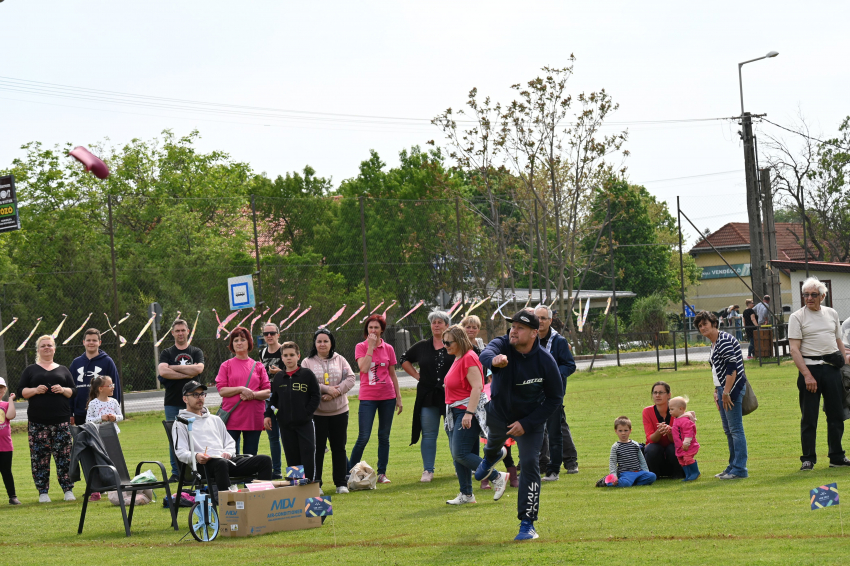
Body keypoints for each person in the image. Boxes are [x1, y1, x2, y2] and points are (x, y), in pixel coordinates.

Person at [476, 310, 563, 541]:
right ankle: (491, 457)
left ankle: (527, 524)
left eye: (520, 328)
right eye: (513, 326)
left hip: (529, 422)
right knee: (493, 445)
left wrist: (527, 423)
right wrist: (494, 360)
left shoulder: (545, 360)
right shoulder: (503, 345)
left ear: (535, 333)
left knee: (529, 464)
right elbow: (486, 352)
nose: (514, 330)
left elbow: (555, 398)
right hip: (498, 415)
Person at [441, 325, 509, 505]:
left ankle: (497, 476)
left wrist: (469, 413)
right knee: (462, 454)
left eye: (449, 342)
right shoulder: (458, 358)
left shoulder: (469, 357)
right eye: (444, 342)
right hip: (454, 411)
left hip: (465, 411)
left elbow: (477, 387)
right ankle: (466, 494)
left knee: (460, 453)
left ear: (460, 341)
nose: (445, 345)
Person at [173, 381, 272, 501]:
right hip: (202, 466)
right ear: (185, 399)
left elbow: (230, 443)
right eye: (195, 394)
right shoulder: (181, 423)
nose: (200, 398)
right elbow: (180, 452)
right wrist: (197, 455)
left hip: (225, 461)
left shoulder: (215, 419)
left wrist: (228, 453)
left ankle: (260, 501)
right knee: (220, 463)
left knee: (264, 460)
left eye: (202, 394)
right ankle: (229, 506)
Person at [789, 277, 850, 471]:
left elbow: (839, 342)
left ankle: (837, 457)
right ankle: (808, 458)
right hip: (810, 370)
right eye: (805, 294)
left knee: (836, 414)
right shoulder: (797, 317)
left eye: (813, 295)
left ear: (822, 296)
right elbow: (794, 349)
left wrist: (845, 365)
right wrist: (807, 375)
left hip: (832, 369)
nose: (808, 298)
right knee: (809, 417)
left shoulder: (832, 313)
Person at [17, 335, 76, 503]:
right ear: (38, 349)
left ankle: (67, 490)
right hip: (38, 422)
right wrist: (35, 390)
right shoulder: (30, 370)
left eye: (49, 345)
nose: (47, 348)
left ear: (54, 348)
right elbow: (21, 391)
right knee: (39, 458)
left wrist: (63, 389)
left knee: (64, 456)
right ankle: (43, 492)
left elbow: (74, 391)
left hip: (62, 421)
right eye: (43, 346)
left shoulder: (63, 369)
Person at [349, 315, 403, 484]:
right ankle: (350, 472)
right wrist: (370, 347)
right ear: (367, 330)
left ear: (382, 330)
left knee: (384, 436)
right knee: (363, 436)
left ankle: (382, 473)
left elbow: (393, 374)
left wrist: (398, 397)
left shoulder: (389, 348)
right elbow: (363, 368)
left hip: (387, 396)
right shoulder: (361, 347)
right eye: (370, 328)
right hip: (368, 398)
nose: (373, 330)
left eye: (376, 328)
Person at [401, 309, 453, 483]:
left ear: (447, 325)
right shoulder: (422, 345)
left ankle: (460, 466)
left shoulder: (456, 343)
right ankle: (428, 470)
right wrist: (417, 376)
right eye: (433, 322)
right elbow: (404, 359)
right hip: (428, 396)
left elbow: (472, 356)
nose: (436, 325)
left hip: (451, 396)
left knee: (453, 433)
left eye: (440, 322)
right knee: (429, 434)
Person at [695, 310, 749, 479]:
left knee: (735, 429)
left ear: (714, 324)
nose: (702, 328)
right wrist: (717, 390)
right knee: (729, 430)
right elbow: (718, 369)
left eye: (705, 324)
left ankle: (739, 469)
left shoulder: (723, 340)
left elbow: (732, 369)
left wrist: (726, 392)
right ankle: (733, 466)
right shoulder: (715, 342)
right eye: (699, 325)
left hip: (731, 389)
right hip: (722, 389)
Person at [301, 329, 356, 494]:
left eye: (326, 341)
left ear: (331, 343)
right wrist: (325, 390)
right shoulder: (307, 362)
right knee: (316, 450)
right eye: (319, 341)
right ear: (315, 344)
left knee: (339, 448)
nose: (322, 344)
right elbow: (305, 381)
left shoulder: (340, 359)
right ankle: (316, 484)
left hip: (339, 411)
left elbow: (351, 378)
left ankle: (340, 483)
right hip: (317, 414)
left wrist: (336, 392)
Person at [264, 341, 321, 484]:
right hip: (285, 425)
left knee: (307, 454)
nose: (288, 358)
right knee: (291, 456)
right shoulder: (278, 377)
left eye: (292, 355)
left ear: (298, 356)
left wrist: (306, 413)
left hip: (304, 424)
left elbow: (316, 396)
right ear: (282, 358)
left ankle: (311, 486)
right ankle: (296, 486)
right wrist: (268, 415)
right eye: (285, 355)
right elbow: (274, 399)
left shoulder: (307, 375)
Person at [158, 318, 205, 481]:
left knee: (196, 435)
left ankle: (195, 471)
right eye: (177, 330)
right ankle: (176, 473)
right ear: (172, 333)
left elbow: (199, 368)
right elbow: (163, 372)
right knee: (174, 438)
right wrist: (188, 373)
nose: (180, 333)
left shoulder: (196, 351)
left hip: (194, 402)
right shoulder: (166, 352)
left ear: (188, 331)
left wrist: (173, 367)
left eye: (182, 330)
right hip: (172, 402)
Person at [534, 305, 578, 480]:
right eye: (537, 318)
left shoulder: (558, 341)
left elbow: (570, 365)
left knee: (556, 429)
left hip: (553, 393)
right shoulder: (530, 338)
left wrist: (553, 374)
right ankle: (539, 463)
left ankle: (558, 468)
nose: (540, 321)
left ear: (550, 320)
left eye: (544, 318)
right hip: (533, 393)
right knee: (536, 430)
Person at [215, 327, 271, 456]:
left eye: (242, 339)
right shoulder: (226, 365)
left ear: (249, 343)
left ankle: (249, 477)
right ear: (232, 344)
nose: (239, 343)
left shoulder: (258, 366)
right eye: (235, 340)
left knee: (251, 455)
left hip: (253, 417)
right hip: (231, 417)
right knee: (229, 454)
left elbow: (267, 392)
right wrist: (241, 389)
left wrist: (252, 395)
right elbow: (222, 390)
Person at [68, 328, 120, 426]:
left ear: (99, 342)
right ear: (84, 342)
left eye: (94, 340)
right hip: (80, 413)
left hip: (102, 414)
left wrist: (114, 412)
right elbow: (70, 388)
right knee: (82, 441)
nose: (91, 343)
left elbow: (114, 387)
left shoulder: (107, 362)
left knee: (103, 441)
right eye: (88, 340)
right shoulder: (76, 363)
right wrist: (70, 412)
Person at [641, 381, 683, 478]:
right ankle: (654, 475)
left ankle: (677, 474)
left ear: (669, 395)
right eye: (655, 393)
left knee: (673, 448)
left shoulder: (678, 411)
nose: (657, 395)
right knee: (652, 448)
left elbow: (679, 439)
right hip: (656, 453)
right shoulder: (647, 411)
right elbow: (650, 439)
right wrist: (660, 431)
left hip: (673, 453)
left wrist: (670, 432)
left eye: (661, 392)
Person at [602, 416, 656, 488]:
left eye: (626, 430)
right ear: (616, 431)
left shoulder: (635, 444)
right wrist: (614, 476)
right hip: (625, 473)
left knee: (652, 476)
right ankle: (608, 482)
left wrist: (646, 471)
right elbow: (613, 463)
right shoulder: (615, 447)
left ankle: (632, 482)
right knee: (625, 483)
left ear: (630, 430)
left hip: (638, 472)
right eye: (620, 431)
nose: (623, 433)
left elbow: (642, 460)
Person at [259, 322, 284, 479]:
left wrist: (280, 372)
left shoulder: (286, 349)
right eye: (266, 333)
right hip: (268, 400)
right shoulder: (262, 354)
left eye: (272, 333)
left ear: (278, 334)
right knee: (273, 437)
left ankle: (296, 471)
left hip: (286, 399)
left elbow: (298, 371)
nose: (269, 336)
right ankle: (277, 471)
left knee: (289, 436)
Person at [669, 396, 700, 481]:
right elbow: (679, 431)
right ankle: (688, 474)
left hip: (688, 446)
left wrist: (686, 443)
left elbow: (688, 433)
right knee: (681, 460)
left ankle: (695, 472)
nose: (670, 411)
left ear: (680, 409)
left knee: (687, 458)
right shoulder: (677, 419)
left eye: (672, 409)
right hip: (679, 446)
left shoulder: (685, 421)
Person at [0, 378, 20, 505]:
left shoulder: (6, 405)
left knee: (6, 471)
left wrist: (11, 400)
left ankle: (12, 496)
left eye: (1, 387)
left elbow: (10, 416)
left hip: (5, 445)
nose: (0, 390)